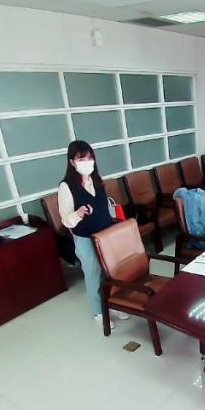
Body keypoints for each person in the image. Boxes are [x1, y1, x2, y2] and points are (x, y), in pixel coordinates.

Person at [57, 140, 130, 328]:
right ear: (72, 162)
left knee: (111, 271)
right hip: (85, 238)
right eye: (81, 158)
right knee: (93, 274)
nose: (87, 162)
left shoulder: (96, 180)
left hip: (105, 234)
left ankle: (113, 304)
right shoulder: (66, 186)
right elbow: (66, 220)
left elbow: (104, 208)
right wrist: (79, 214)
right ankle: (99, 311)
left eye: (90, 157)